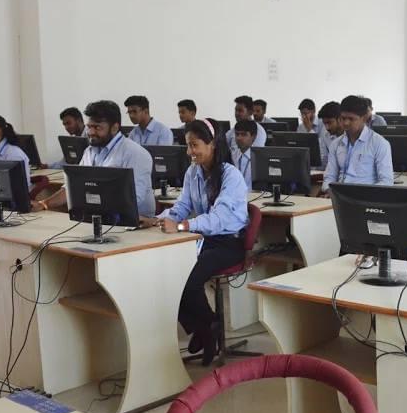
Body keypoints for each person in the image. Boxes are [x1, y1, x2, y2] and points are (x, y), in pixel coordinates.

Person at [146, 119, 249, 366]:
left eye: (195, 145)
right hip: (204, 239)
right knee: (170, 277)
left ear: (212, 144)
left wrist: (182, 226)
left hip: (228, 242)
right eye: (187, 146)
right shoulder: (193, 172)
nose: (190, 151)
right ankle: (206, 327)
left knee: (187, 279)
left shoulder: (230, 175)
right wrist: (158, 219)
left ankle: (205, 328)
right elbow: (182, 206)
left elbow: (219, 218)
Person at [33, 100, 155, 217]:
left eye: (97, 127)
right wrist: (44, 204)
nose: (90, 132)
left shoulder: (135, 154)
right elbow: (73, 188)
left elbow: (134, 199)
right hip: (99, 217)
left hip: (135, 222)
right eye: (89, 126)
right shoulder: (90, 152)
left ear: (114, 128)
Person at [321, 95, 393, 194]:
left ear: (364, 118)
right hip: (339, 198)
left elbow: (387, 182)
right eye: (343, 118)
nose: (346, 123)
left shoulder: (379, 143)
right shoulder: (336, 144)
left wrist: (361, 195)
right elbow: (329, 177)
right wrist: (330, 191)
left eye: (351, 119)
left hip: (365, 200)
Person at [230, 119, 256, 189]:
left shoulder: (259, 158)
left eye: (244, 134)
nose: (239, 138)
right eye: (237, 134)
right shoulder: (231, 156)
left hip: (253, 197)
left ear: (253, 136)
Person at [318, 101, 342, 168]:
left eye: (329, 123)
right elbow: (324, 160)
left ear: (340, 119)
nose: (327, 127)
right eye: (324, 123)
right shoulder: (325, 134)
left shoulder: (353, 135)